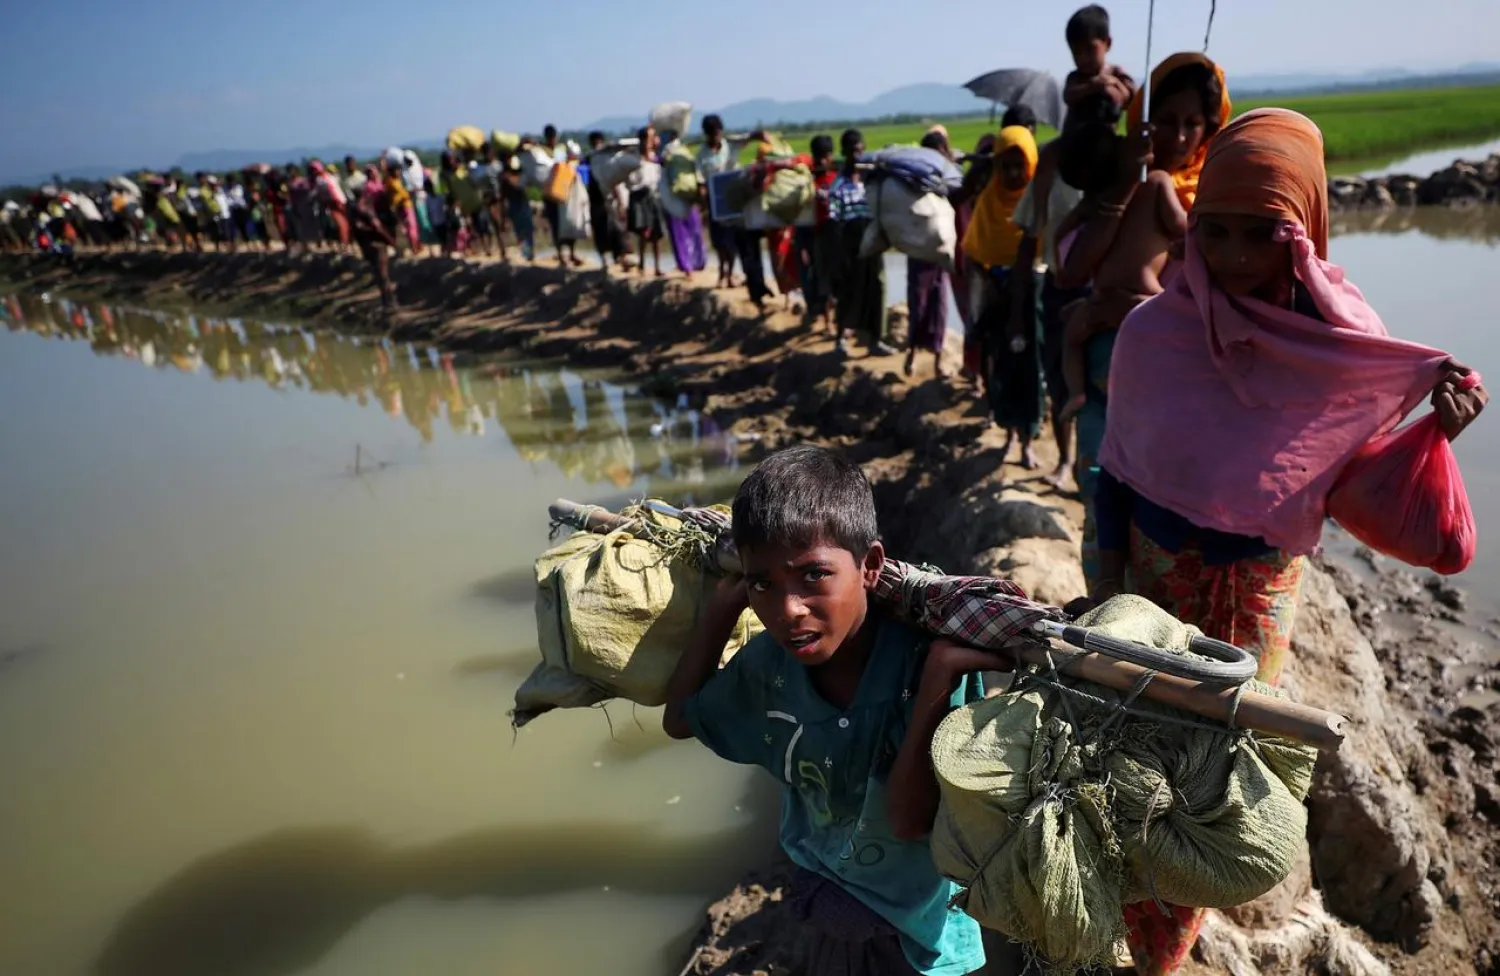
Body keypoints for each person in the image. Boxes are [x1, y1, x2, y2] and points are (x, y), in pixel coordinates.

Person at [1093, 106, 1488, 976]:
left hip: (1259, 607)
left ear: (1303, 232)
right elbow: (1111, 480)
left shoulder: (1343, 353)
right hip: (1153, 598)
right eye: (1216, 232)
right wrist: (1100, 596)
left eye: (1259, 235)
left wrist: (1432, 434)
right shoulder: (1153, 337)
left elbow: (1354, 482)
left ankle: (1160, 951)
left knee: (1210, 781)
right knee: (1135, 764)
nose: (1232, 257)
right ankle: (1122, 927)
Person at [662, 446, 1001, 976]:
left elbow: (911, 821)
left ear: (869, 566)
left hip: (921, 930)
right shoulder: (770, 666)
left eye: (813, 576)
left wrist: (939, 678)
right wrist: (722, 609)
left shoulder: (923, 665)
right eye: (763, 584)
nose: (788, 610)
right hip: (824, 891)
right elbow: (680, 719)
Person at [1053, 51, 1229, 585]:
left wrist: (1141, 310)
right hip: (1110, 375)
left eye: (1192, 124)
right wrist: (1128, 181)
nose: (1178, 137)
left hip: (1178, 387)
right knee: (1102, 505)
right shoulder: (1125, 182)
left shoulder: (1219, 199)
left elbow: (1226, 297)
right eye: (1165, 122)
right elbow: (1071, 267)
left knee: (1163, 517)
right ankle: (1108, 627)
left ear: (1212, 126)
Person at [965, 125, 1043, 466]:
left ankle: (1029, 439)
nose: (1012, 174)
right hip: (998, 299)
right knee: (1002, 366)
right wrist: (991, 283)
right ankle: (1010, 435)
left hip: (1032, 299)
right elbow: (974, 251)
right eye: (1005, 166)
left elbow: (1048, 252)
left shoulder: (1039, 203)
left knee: (1032, 368)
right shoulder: (988, 203)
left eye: (1019, 165)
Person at [828, 129, 889, 357]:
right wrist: (839, 257)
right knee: (849, 291)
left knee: (876, 287)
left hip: (872, 240)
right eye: (853, 151)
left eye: (860, 150)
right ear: (844, 153)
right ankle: (841, 339)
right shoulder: (839, 186)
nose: (858, 155)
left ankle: (875, 339)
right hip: (850, 243)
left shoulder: (870, 182)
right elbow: (834, 224)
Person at [905, 127, 954, 378]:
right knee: (919, 304)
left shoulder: (948, 178)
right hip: (920, 250)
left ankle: (937, 362)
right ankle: (911, 354)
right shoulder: (915, 179)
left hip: (940, 252)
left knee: (940, 306)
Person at [697, 114, 744, 289]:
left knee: (731, 240)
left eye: (718, 132)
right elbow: (700, 181)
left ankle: (730, 274)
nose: (717, 136)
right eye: (713, 133)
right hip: (713, 202)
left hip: (731, 200)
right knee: (718, 241)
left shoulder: (730, 147)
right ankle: (721, 271)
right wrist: (703, 207)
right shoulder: (702, 155)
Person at [1063, 5, 1135, 113]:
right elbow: (1068, 96)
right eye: (1076, 52)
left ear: (1108, 43)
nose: (1083, 58)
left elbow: (1131, 98)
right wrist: (1091, 87)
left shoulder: (1115, 73)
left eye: (1090, 50)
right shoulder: (1076, 77)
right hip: (1076, 130)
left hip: (1106, 129)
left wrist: (1115, 84)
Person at [800, 134, 839, 328]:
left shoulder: (837, 177)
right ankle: (826, 321)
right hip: (818, 234)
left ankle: (840, 321)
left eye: (826, 156)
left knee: (839, 277)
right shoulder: (808, 180)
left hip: (839, 233)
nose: (823, 160)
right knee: (822, 277)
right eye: (819, 156)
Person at [659, 130, 706, 279]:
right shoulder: (684, 151)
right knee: (694, 230)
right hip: (687, 195)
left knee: (679, 233)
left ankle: (687, 266)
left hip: (674, 196)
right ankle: (697, 262)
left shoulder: (665, 152)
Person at [349, 182, 398, 310]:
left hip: (366, 246)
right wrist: (390, 240)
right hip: (376, 244)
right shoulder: (364, 209)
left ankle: (386, 301)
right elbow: (377, 227)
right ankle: (390, 301)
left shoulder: (353, 210)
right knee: (383, 274)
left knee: (378, 274)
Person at [626, 125, 665, 277]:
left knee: (657, 233)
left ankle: (657, 266)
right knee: (644, 232)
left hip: (653, 195)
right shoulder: (635, 158)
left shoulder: (656, 157)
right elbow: (631, 180)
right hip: (639, 195)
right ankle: (642, 264)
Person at [586, 131, 628, 271]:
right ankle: (606, 259)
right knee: (601, 229)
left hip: (607, 199)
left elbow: (613, 181)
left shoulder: (602, 159)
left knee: (615, 228)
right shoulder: (592, 159)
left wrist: (620, 201)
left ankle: (619, 257)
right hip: (596, 200)